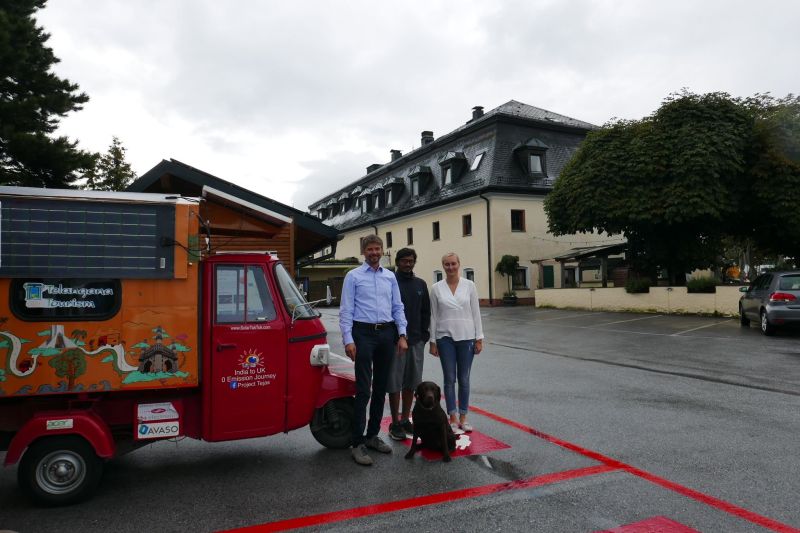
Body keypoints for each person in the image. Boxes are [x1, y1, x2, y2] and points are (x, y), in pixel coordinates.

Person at [339, 235, 408, 466]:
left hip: (386, 334)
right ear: (363, 251)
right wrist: (348, 340)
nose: (374, 252)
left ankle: (372, 436)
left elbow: (398, 306)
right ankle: (357, 442)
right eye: (370, 249)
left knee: (380, 388)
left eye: (377, 249)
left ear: (382, 251)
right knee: (363, 390)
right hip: (363, 334)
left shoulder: (390, 277)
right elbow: (346, 310)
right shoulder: (353, 276)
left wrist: (401, 335)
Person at [429, 252, 484, 433]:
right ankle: (452, 417)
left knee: (464, 379)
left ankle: (463, 416)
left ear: (459, 264)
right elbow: (434, 316)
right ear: (443, 266)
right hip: (445, 338)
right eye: (447, 264)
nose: (450, 267)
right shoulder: (436, 288)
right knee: (449, 378)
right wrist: (433, 341)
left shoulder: (469, 285)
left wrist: (479, 337)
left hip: (467, 337)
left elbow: (476, 312)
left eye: (453, 263)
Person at [387, 248, 431, 441]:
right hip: (394, 342)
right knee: (394, 382)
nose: (407, 264)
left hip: (416, 341)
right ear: (397, 262)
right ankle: (395, 423)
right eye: (404, 260)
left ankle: (406, 419)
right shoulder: (389, 282)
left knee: (411, 383)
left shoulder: (420, 284)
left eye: (411, 260)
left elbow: (425, 312)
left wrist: (423, 335)